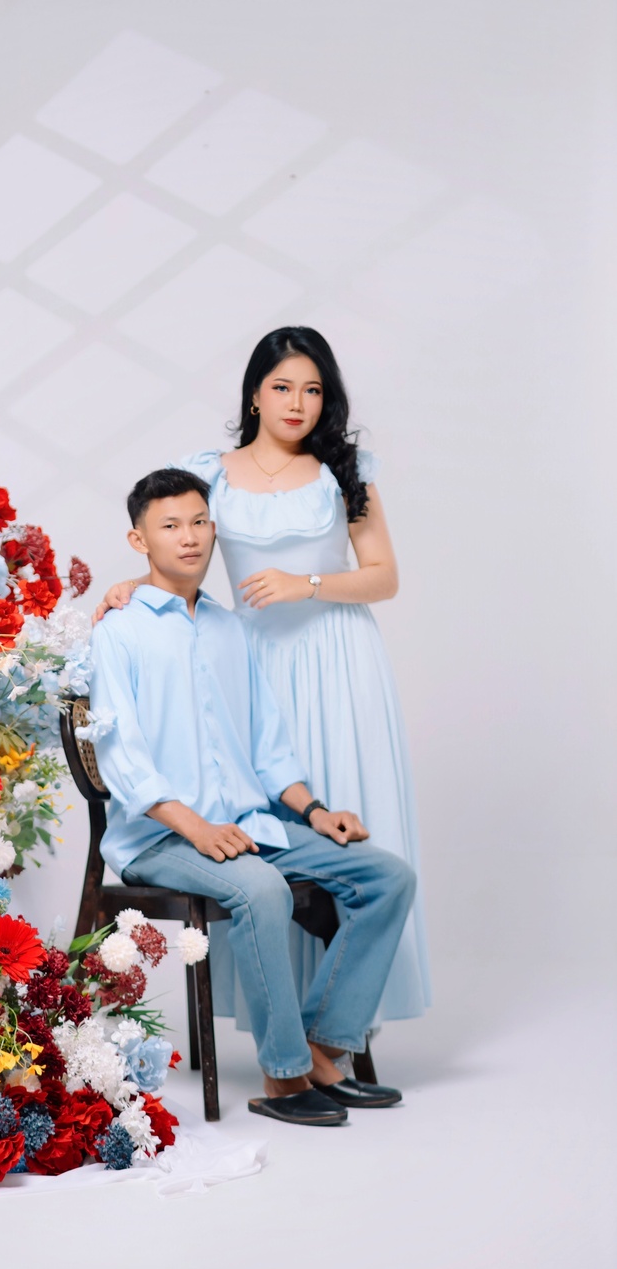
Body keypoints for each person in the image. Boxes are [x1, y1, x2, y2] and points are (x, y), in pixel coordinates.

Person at [96, 326, 430, 1026]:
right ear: (254, 394)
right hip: (246, 657)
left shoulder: (344, 470)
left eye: (313, 390)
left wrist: (307, 583)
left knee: (335, 834)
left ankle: (341, 1030)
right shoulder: (210, 474)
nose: (297, 403)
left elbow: (385, 577)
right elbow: (174, 537)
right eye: (282, 387)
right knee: (251, 836)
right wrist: (132, 586)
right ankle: (283, 1030)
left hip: (336, 658)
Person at [90, 468, 415, 1125]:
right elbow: (120, 754)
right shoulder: (118, 630)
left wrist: (317, 813)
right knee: (262, 888)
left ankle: (322, 1047)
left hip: (245, 822)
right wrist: (197, 827)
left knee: (387, 877)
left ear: (215, 529)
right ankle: (285, 1079)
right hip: (160, 836)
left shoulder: (229, 628)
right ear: (139, 540)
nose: (189, 538)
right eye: (170, 526)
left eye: (198, 522)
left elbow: (268, 747)